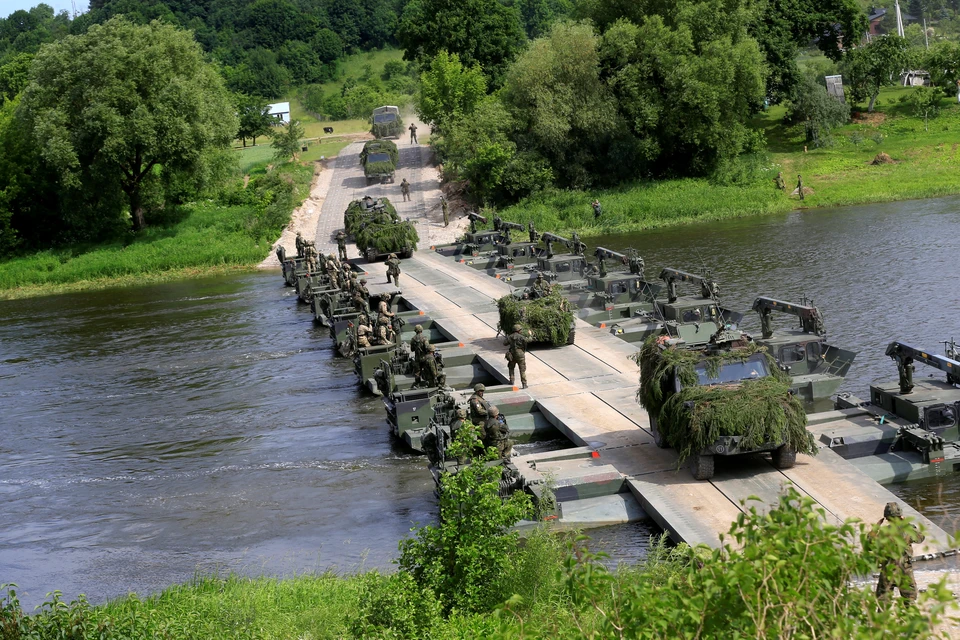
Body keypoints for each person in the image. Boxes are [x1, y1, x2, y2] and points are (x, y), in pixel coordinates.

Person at [871, 502, 925, 604]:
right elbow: (920, 538)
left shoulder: (883, 532)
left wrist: (875, 528)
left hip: (887, 572)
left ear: (886, 518)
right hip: (905, 572)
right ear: (900, 516)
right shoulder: (907, 530)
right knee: (909, 604)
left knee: (883, 605)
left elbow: (869, 543)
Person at [504, 323, 531, 389]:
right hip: (520, 354)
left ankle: (511, 380)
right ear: (518, 330)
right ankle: (524, 384)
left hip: (512, 354)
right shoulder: (521, 337)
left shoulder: (510, 336)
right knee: (522, 369)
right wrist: (530, 335)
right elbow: (527, 341)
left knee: (511, 367)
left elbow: (504, 343)